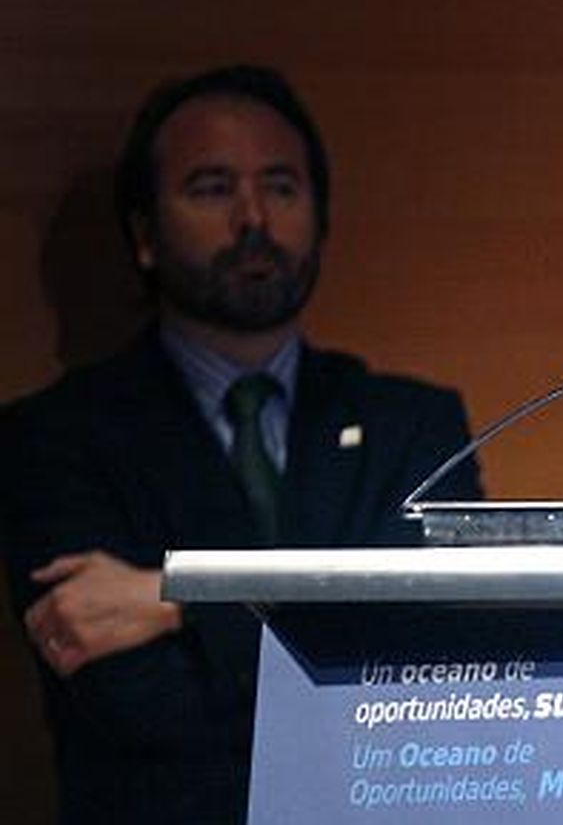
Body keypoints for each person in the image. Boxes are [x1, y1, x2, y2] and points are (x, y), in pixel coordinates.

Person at [0, 65, 482, 825]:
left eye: (282, 186)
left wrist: (181, 602)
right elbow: (139, 708)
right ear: (144, 234)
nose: (254, 217)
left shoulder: (414, 426)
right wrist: (348, 631)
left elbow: (439, 672)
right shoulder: (52, 440)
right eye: (213, 188)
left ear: (321, 217)